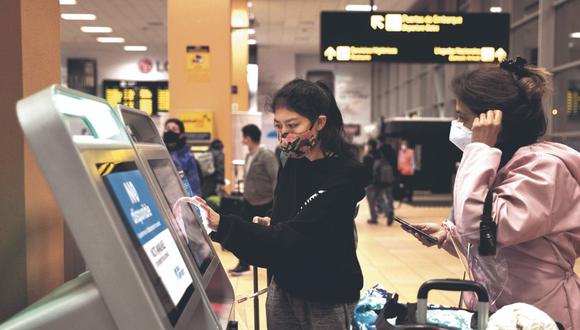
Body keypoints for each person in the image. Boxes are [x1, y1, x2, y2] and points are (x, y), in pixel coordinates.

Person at [405, 58, 580, 329]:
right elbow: (493, 245)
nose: (458, 125)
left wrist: (478, 149)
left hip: (538, 317)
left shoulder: (544, 169)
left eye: (463, 117)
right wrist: (449, 236)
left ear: (493, 120)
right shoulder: (503, 164)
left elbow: (481, 227)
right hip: (499, 311)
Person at [195, 79, 370, 329]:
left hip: (325, 295)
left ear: (320, 123)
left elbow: (299, 235)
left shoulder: (345, 177)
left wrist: (222, 224)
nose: (284, 135)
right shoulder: (294, 163)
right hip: (284, 285)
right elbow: (291, 216)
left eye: (293, 125)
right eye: (278, 126)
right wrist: (272, 220)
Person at [228, 124, 279, 276]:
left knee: (265, 236)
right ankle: (243, 264)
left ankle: (270, 264)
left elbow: (275, 178)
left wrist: (276, 202)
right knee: (243, 232)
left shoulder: (266, 156)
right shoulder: (249, 155)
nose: (243, 140)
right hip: (249, 201)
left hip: (265, 202)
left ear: (248, 138)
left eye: (243, 136)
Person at [163, 118, 202, 197]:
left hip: (181, 199)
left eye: (174, 129)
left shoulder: (188, 157)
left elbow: (194, 186)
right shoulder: (160, 152)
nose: (170, 131)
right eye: (167, 128)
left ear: (181, 135)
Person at [374, 144, 396, 225]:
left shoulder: (380, 160)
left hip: (381, 182)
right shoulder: (391, 158)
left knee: (380, 199)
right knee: (389, 197)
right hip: (389, 181)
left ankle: (388, 211)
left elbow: (376, 171)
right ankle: (391, 212)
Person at [363, 139, 383, 224]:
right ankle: (386, 210)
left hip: (370, 182)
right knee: (379, 198)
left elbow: (364, 170)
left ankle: (374, 218)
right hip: (380, 181)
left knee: (371, 201)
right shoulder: (380, 155)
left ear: (370, 146)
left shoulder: (367, 157)